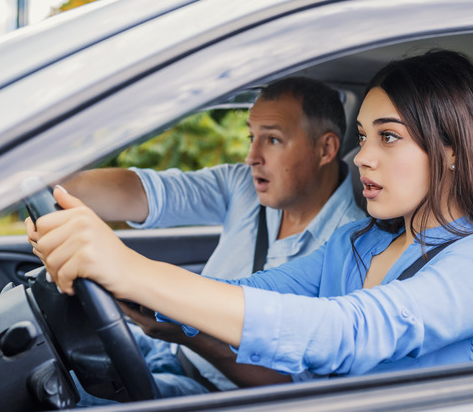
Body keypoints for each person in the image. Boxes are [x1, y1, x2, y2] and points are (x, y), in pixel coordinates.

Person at [28, 50, 473, 388]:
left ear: (455, 150)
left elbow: (344, 335)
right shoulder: (361, 242)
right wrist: (142, 299)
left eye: (388, 137)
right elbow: (251, 294)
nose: (363, 157)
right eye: (364, 136)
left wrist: (133, 268)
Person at [57, 76, 367, 398]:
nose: (252, 157)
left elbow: (298, 392)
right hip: (164, 349)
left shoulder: (354, 252)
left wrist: (191, 334)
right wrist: (38, 182)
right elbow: (146, 192)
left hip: (213, 393)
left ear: (326, 148)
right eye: (251, 137)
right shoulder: (244, 186)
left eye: (272, 140)